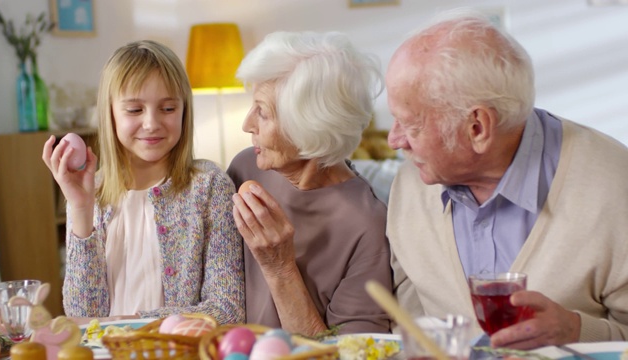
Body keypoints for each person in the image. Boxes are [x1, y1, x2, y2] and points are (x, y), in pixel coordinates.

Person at [385, 10, 628, 349]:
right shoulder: (411, 186)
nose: (394, 141)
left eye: (410, 125)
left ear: (477, 127)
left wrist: (576, 331)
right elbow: (405, 325)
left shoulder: (615, 186)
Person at [42, 40, 245, 324]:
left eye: (168, 108)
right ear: (109, 113)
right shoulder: (93, 193)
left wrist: (132, 323)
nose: (151, 123)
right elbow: (81, 315)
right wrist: (80, 208)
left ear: (184, 110)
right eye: (135, 110)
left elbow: (227, 309)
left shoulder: (209, 187)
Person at [227, 31, 392, 336]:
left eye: (262, 112)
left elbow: (349, 355)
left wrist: (281, 269)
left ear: (308, 128)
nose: (247, 124)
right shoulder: (245, 168)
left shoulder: (367, 226)